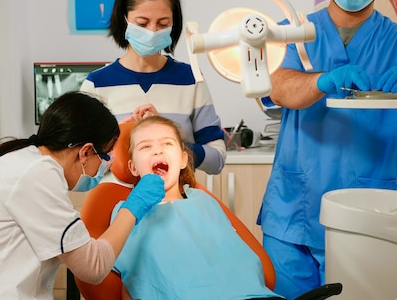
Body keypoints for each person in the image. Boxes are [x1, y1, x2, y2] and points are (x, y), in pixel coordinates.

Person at [257, 0, 397, 298]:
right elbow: (280, 88)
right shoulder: (292, 33)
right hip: (293, 212)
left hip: (372, 216)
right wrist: (322, 80)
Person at [0, 91, 165, 299]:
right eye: (105, 159)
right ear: (85, 151)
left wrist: (127, 127)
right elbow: (94, 266)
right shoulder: (37, 175)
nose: (104, 169)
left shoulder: (25, 161)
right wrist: (134, 206)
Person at [111, 116, 284, 300]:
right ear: (133, 167)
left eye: (167, 144)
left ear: (183, 159)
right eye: (145, 147)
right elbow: (133, 279)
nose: (157, 151)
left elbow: (235, 256)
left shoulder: (203, 201)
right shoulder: (128, 212)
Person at [80, 0, 226, 175]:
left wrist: (169, 139)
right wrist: (119, 138)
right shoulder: (96, 85)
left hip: (176, 202)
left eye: (163, 24)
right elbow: (82, 165)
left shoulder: (190, 79)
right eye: (142, 23)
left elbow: (217, 159)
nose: (152, 31)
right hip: (118, 204)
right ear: (124, 20)